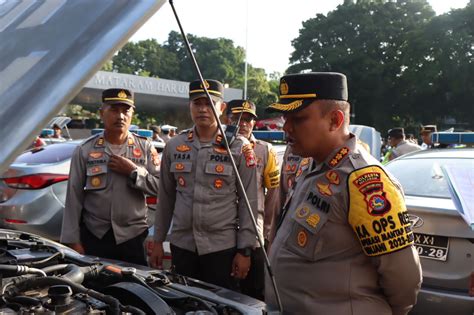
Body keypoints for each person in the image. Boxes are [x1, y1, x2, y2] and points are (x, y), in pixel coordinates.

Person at [265, 72, 422, 314]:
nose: (285, 127)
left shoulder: (364, 180)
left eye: (297, 118)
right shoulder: (311, 164)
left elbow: (403, 278)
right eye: (285, 118)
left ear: (335, 120)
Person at [149, 79, 259, 290]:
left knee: (220, 306)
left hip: (221, 249)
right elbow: (166, 197)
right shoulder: (175, 145)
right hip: (183, 246)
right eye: (197, 103)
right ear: (189, 106)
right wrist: (157, 239)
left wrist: (245, 250)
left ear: (222, 107)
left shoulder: (238, 146)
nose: (202, 109)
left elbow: (250, 202)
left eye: (209, 103)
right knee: (184, 303)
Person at [60, 88, 160, 265]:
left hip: (133, 236)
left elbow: (161, 187)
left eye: (125, 110)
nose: (120, 116)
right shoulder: (85, 150)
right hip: (95, 235)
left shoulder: (145, 148)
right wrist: (72, 240)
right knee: (95, 288)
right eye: (114, 110)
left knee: (133, 289)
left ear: (132, 114)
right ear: (101, 113)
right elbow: (73, 197)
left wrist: (134, 172)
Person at [227, 99, 280, 300]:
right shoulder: (215, 146)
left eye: (248, 119)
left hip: (254, 237)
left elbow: (273, 194)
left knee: (254, 296)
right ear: (226, 118)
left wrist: (265, 230)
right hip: (223, 233)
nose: (243, 123)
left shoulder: (265, 151)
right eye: (237, 118)